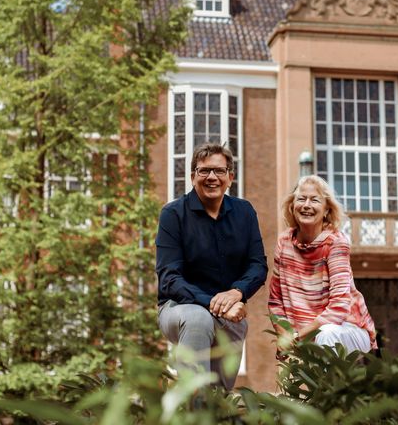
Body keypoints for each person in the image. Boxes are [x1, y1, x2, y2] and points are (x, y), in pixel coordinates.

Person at [155, 143, 268, 390]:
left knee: (218, 394)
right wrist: (215, 305)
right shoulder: (173, 214)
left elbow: (257, 265)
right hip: (178, 309)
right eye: (204, 171)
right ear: (192, 176)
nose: (212, 177)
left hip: (230, 313)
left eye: (219, 171)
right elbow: (169, 278)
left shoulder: (245, 212)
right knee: (199, 319)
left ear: (230, 177)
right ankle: (192, 409)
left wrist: (236, 292)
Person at [268, 175, 377, 355]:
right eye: (301, 199)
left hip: (349, 328)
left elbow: (339, 307)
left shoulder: (335, 242)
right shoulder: (284, 242)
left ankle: (331, 384)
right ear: (292, 206)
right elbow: (275, 300)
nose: (306, 205)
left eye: (315, 200)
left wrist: (295, 337)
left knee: (327, 334)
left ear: (326, 210)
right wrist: (283, 337)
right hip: (307, 334)